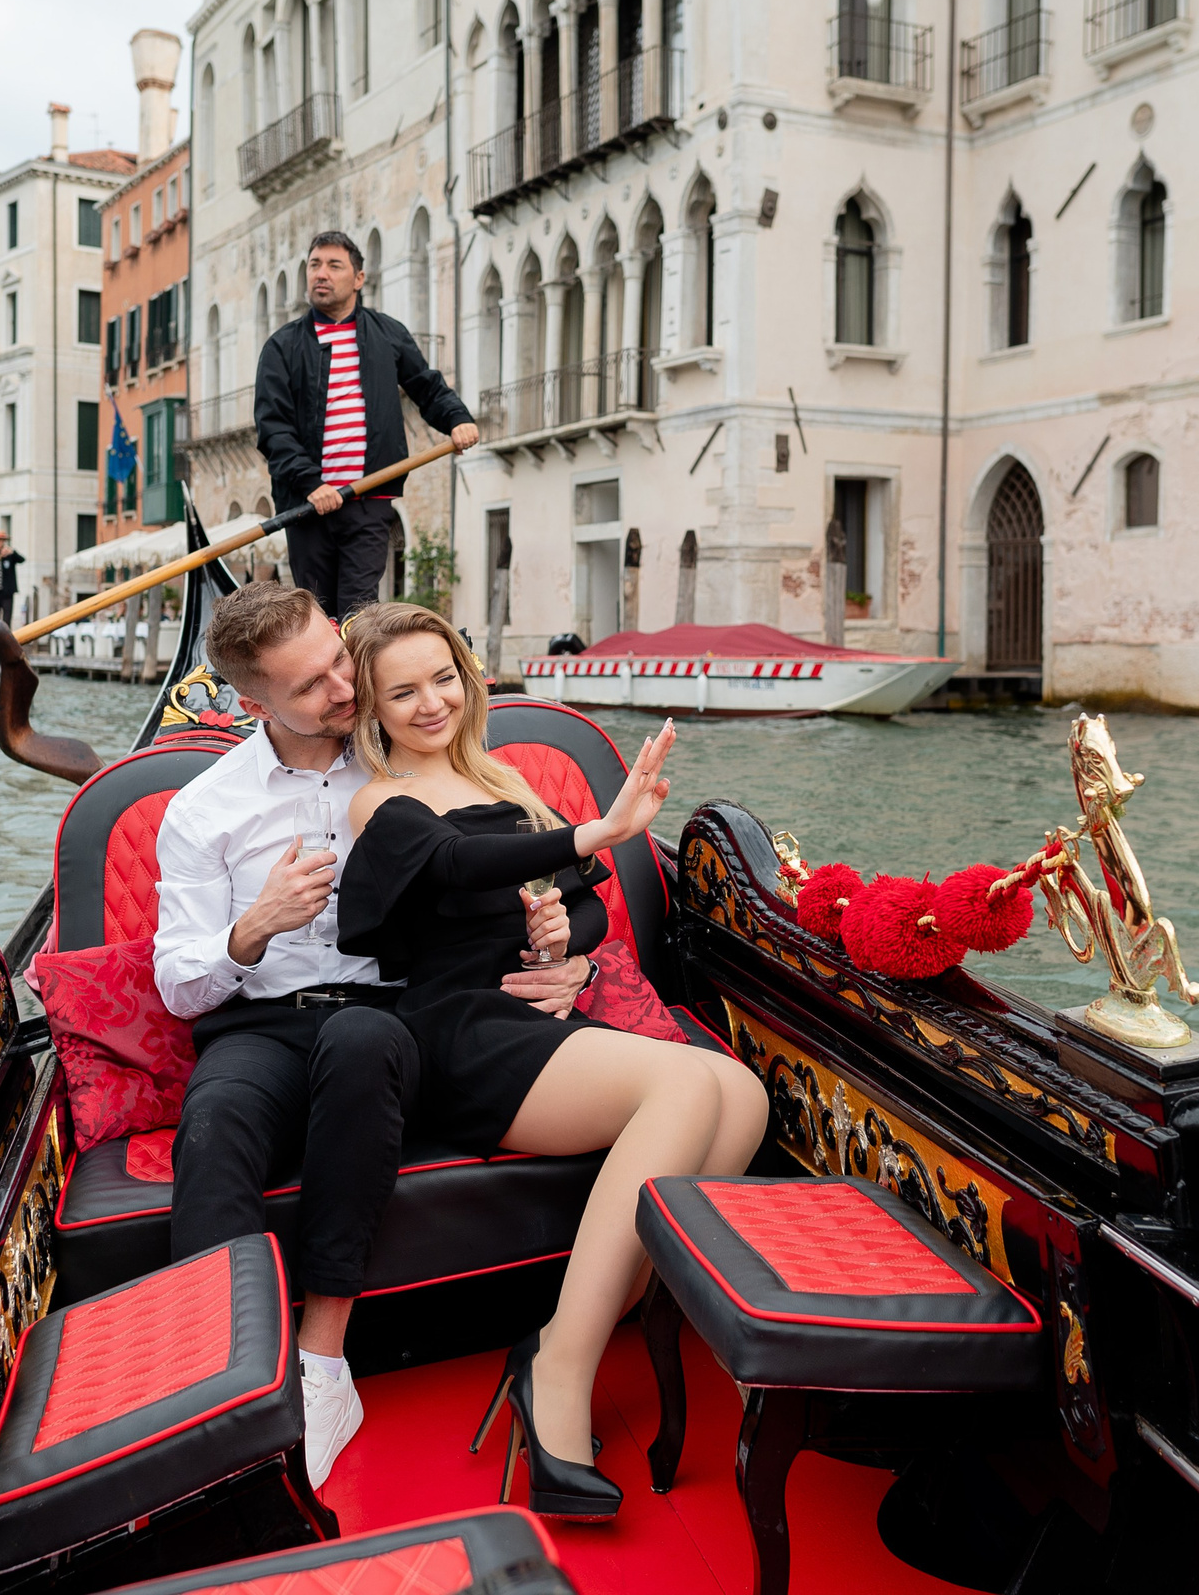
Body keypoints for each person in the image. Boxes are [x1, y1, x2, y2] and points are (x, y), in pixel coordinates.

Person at [152, 582, 592, 1488]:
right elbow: (179, 985)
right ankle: (212, 1376)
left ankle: (323, 1365)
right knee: (217, 1118)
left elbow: (520, 885)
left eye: (340, 662)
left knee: (360, 1045)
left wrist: (567, 952)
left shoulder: (405, 763)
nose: (344, 691)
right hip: (259, 1022)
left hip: (390, 1013)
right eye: (310, 686)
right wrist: (255, 925)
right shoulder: (203, 809)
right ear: (252, 702)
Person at [334, 603, 769, 1521]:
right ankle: (558, 1366)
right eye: (401, 691)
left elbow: (587, 909)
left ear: (468, 677)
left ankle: (616, 1318)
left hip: (525, 1018)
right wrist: (600, 832)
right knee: (688, 1077)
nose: (430, 703)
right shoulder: (383, 802)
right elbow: (459, 869)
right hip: (453, 1032)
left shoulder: (504, 782)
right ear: (371, 708)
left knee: (742, 1093)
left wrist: (567, 948)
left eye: (443, 677)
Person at [252, 231, 480, 618]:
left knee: (360, 613)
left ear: (358, 278)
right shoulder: (282, 347)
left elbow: (427, 387)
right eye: (314, 265)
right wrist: (313, 484)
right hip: (307, 506)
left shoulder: (387, 334)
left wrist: (458, 419)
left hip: (368, 498)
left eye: (333, 265)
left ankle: (361, 679)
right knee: (317, 618)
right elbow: (273, 430)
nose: (320, 274)